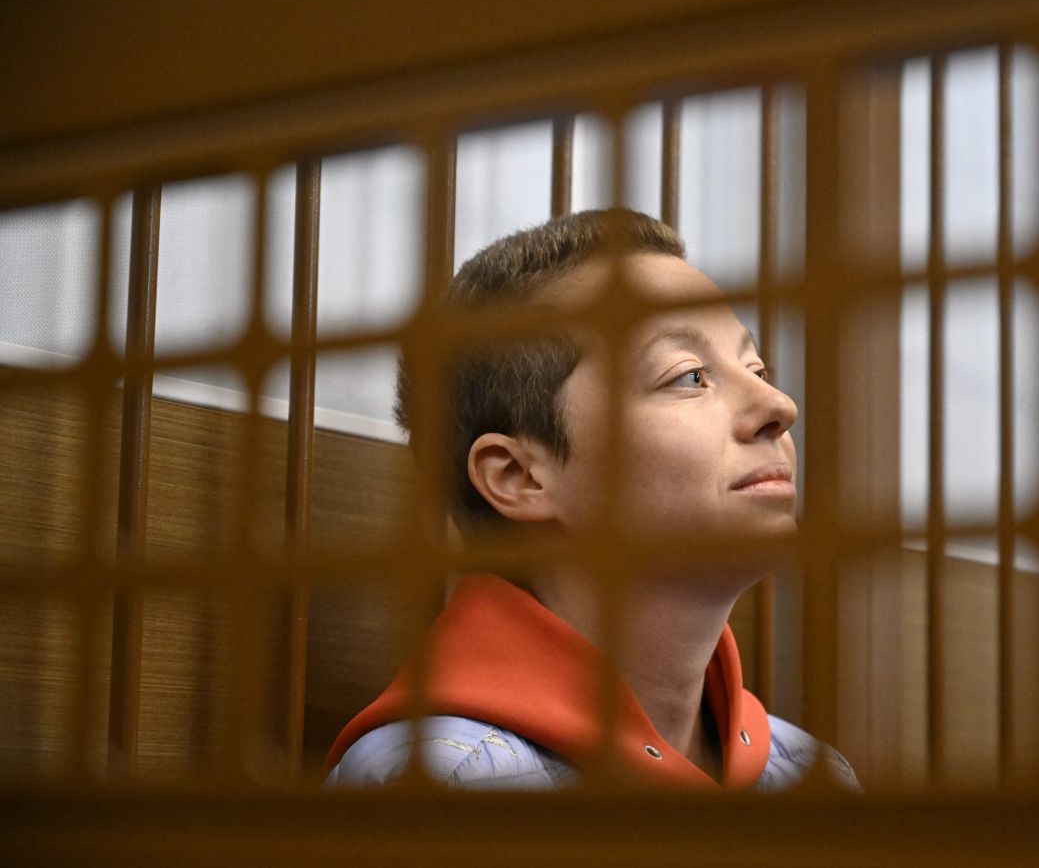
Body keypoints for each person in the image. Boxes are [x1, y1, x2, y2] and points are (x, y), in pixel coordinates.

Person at [325, 209, 858, 792]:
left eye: (757, 368)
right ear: (518, 477)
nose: (780, 405)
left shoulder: (813, 775)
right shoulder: (442, 782)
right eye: (689, 376)